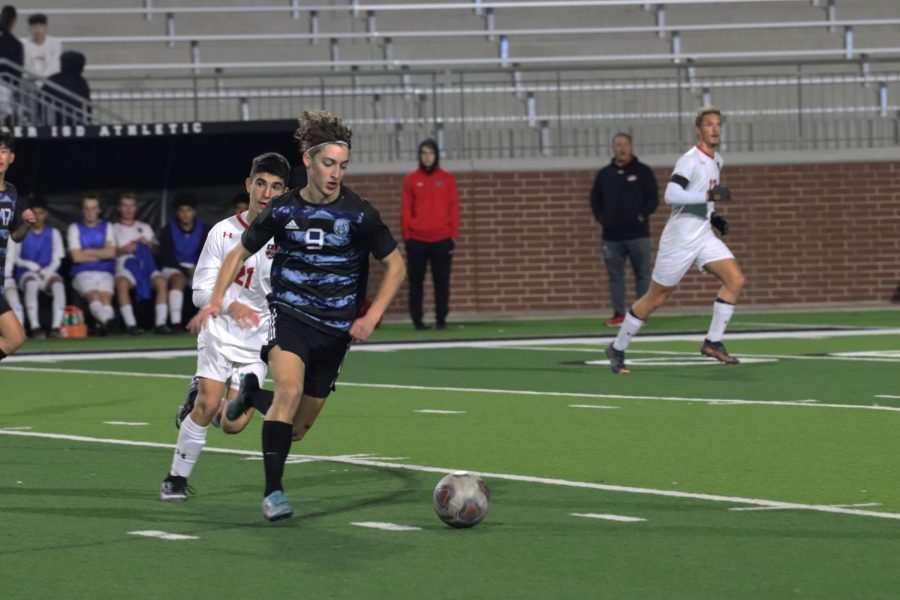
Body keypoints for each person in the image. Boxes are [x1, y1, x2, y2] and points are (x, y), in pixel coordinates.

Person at [193, 110, 406, 521]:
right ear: (307, 161)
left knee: (296, 429)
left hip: (336, 330)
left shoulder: (359, 213)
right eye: (328, 163)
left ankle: (251, 395)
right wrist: (217, 299)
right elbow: (240, 250)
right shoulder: (283, 209)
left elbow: (396, 266)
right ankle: (273, 494)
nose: (335, 173)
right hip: (289, 316)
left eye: (342, 166)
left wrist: (372, 315)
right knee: (288, 393)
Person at [160, 152, 291, 502]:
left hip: (257, 338)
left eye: (275, 187)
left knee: (233, 424)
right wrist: (229, 304)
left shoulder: (289, 238)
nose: (266, 192)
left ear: (285, 192)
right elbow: (200, 291)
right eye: (260, 183)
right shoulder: (223, 232)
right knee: (207, 405)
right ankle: (174, 479)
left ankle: (215, 395)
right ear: (249, 185)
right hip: (219, 330)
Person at [605, 106, 744, 374]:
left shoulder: (717, 160)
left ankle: (713, 342)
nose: (714, 129)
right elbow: (672, 194)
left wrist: (713, 217)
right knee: (655, 299)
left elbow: (701, 196)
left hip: (702, 235)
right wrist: (708, 199)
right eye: (708, 124)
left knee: (735, 279)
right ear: (698, 129)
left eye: (718, 124)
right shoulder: (689, 160)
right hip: (679, 240)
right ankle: (618, 347)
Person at [590, 133, 659, 327]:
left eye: (625, 145)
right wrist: (602, 218)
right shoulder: (604, 174)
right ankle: (619, 314)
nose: (622, 148)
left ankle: (640, 314)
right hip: (611, 237)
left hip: (639, 235)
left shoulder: (643, 172)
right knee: (616, 276)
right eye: (618, 145)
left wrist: (640, 216)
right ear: (613, 148)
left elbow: (652, 199)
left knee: (643, 274)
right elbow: (595, 199)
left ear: (631, 147)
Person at [400, 138, 459, 330]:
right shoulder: (411, 180)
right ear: (419, 156)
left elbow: (454, 208)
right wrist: (407, 236)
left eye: (430, 153)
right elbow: (406, 210)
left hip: (442, 240)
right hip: (417, 240)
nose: (427, 157)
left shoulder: (447, 179)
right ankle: (417, 320)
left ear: (436, 155)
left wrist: (452, 235)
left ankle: (441, 318)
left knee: (442, 282)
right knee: (416, 283)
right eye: (423, 153)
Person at [6, 197, 65, 338]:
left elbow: (57, 258)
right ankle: (35, 327)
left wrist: (47, 271)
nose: (37, 217)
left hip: (47, 273)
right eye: (34, 213)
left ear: (46, 214)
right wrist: (29, 265)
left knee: (58, 284)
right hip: (26, 273)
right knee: (31, 283)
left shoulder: (54, 233)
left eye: (40, 213)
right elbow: (15, 259)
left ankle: (56, 327)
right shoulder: (22, 232)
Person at [113, 192, 171, 335]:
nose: (128, 209)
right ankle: (131, 325)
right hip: (126, 267)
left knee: (162, 282)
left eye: (131, 206)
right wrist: (124, 249)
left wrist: (150, 245)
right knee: (121, 284)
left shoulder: (144, 227)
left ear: (136, 208)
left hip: (146, 267)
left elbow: (158, 251)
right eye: (125, 206)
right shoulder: (113, 228)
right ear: (119, 208)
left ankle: (161, 324)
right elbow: (109, 253)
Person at [0, 130, 35, 361]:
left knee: (14, 339)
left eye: (3, 151)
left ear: (11, 157)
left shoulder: (11, 192)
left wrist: (26, 224)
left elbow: (16, 236)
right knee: (14, 337)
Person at [157, 193, 210, 330]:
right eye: (182, 211)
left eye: (189, 210)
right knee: (178, 279)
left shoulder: (204, 230)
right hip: (173, 268)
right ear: (177, 212)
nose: (185, 214)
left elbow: (207, 254)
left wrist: (197, 269)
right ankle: (175, 323)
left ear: (194, 212)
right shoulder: (168, 230)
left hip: (197, 268)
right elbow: (167, 257)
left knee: (209, 283)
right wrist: (186, 270)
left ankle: (208, 323)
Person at [67, 192, 117, 335]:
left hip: (105, 272)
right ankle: (109, 322)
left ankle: (105, 324)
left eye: (93, 208)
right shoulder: (74, 228)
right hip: (82, 273)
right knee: (94, 296)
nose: (90, 212)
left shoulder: (107, 227)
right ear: (82, 210)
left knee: (105, 299)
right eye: (87, 208)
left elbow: (112, 253)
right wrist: (101, 253)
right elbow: (76, 257)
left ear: (99, 210)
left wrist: (87, 251)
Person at [45, 50, 90, 126]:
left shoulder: (54, 79)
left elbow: (42, 97)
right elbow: (86, 102)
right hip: (76, 121)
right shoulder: (80, 82)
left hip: (55, 121)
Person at [0, 5, 23, 126]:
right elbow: (18, 71)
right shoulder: (15, 44)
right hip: (8, 87)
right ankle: (4, 144)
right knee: (6, 122)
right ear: (14, 21)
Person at [22, 13, 60, 79]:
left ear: (46, 27)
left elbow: (54, 67)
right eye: (34, 26)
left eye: (40, 26)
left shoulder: (55, 44)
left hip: (50, 82)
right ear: (29, 28)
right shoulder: (24, 45)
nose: (38, 30)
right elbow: (26, 67)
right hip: (30, 82)